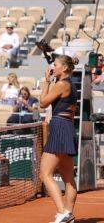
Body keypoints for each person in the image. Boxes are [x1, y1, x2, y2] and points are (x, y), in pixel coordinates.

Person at [39, 55, 78, 223]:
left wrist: (46, 82)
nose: (52, 67)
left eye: (55, 65)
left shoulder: (61, 84)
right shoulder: (72, 85)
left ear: (64, 68)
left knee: (45, 174)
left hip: (60, 127)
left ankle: (63, 212)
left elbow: (42, 102)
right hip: (68, 127)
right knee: (68, 177)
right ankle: (68, 213)